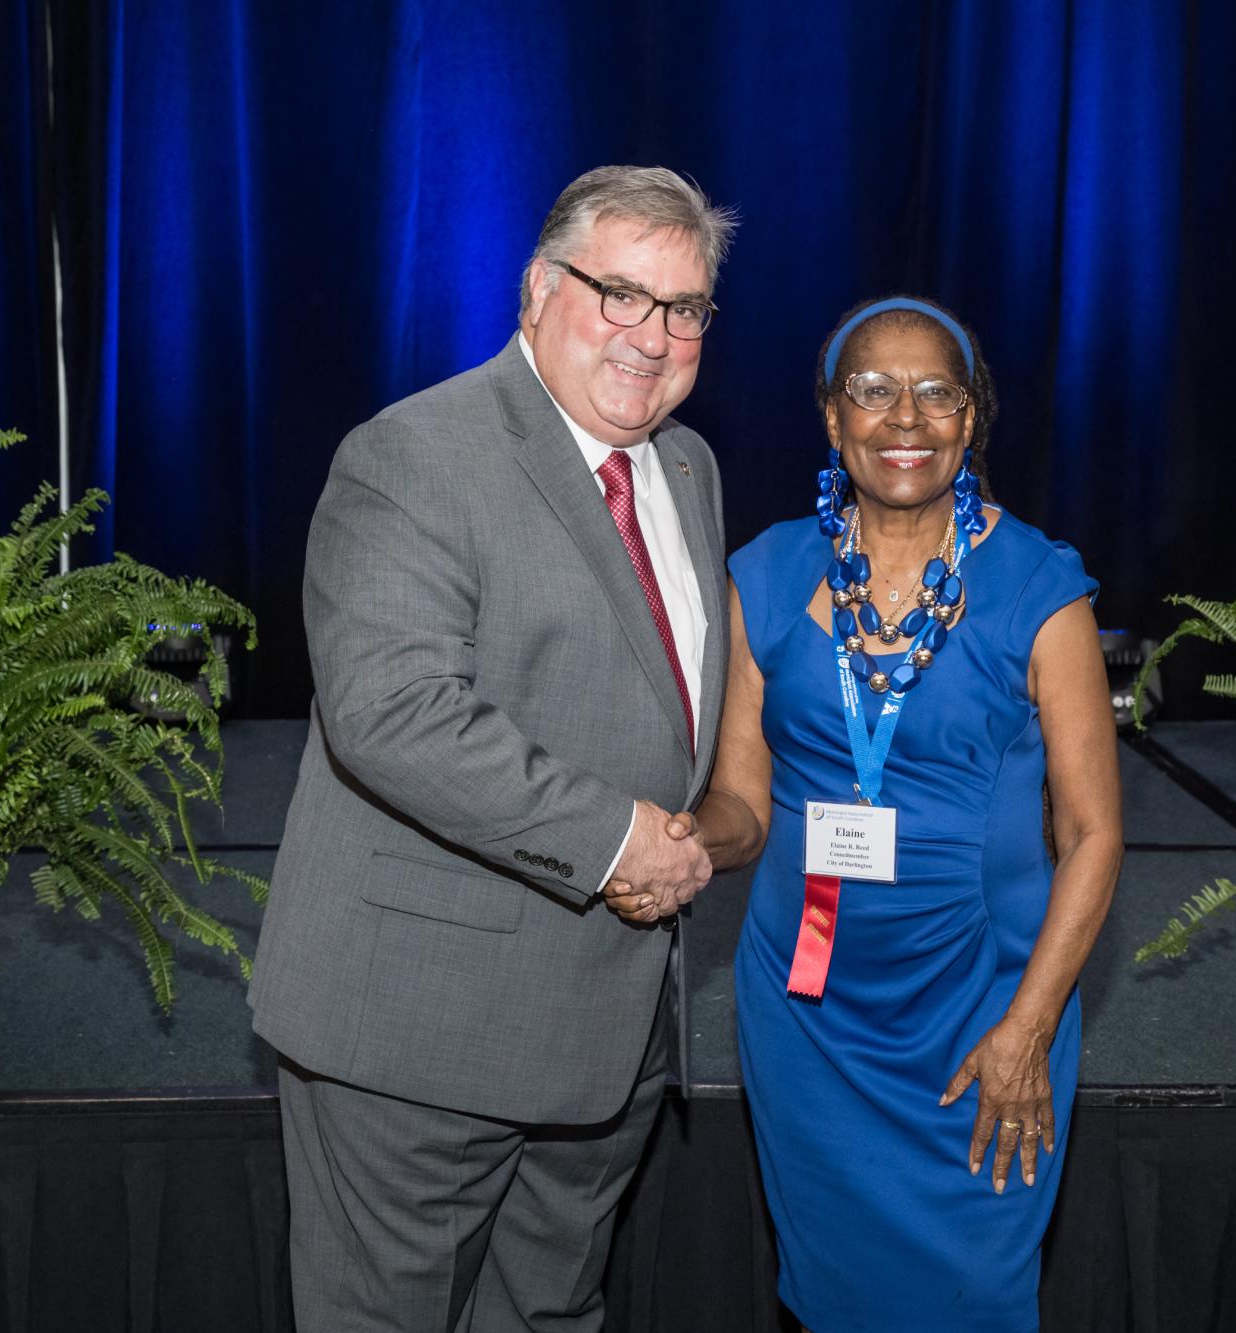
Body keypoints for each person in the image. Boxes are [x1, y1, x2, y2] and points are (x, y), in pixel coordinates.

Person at [249, 165, 738, 1332]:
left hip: (605, 1038)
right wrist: (617, 841)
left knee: (549, 1315)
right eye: (620, 293)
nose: (651, 335)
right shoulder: (414, 453)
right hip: (416, 1037)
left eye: (682, 309)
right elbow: (392, 712)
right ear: (537, 289)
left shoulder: (687, 466)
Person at [610, 296, 1122, 1331]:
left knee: (974, 1294)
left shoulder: (1037, 587)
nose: (905, 418)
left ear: (970, 417)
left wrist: (1026, 1029)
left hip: (985, 1005)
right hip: (809, 1013)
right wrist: (682, 841)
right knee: (832, 1291)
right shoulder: (765, 573)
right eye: (873, 391)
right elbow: (743, 800)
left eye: (935, 392)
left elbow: (1091, 835)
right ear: (832, 416)